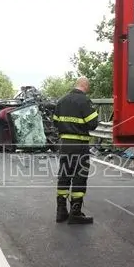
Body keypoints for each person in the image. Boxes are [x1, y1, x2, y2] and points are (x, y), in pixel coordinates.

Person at [53, 77, 98, 224]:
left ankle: (61, 212)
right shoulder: (84, 101)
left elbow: (55, 122)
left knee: (64, 175)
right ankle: (75, 213)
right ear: (85, 85)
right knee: (79, 177)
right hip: (80, 145)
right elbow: (93, 124)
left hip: (65, 145)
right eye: (88, 85)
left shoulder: (61, 101)